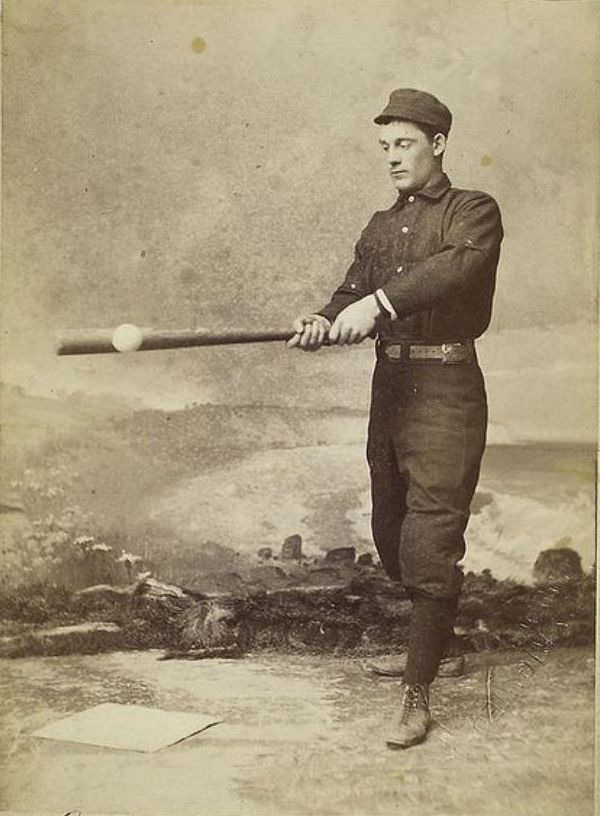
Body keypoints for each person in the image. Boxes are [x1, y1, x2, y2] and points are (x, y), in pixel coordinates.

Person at [287, 88, 503, 749]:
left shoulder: (474, 212)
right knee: (390, 529)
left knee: (431, 544)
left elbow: (452, 272)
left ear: (437, 144)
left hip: (446, 389)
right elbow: (352, 289)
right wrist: (323, 317)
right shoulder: (380, 226)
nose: (391, 158)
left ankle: (418, 692)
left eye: (403, 144)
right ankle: (435, 646)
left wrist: (378, 304)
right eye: (383, 147)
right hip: (393, 391)